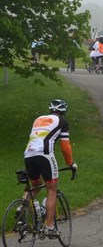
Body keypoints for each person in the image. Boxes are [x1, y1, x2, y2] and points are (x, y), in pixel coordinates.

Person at [23, 100, 78, 236]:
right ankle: (49, 225)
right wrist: (70, 164)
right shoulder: (62, 121)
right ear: (63, 112)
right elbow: (65, 147)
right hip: (45, 154)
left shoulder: (38, 119)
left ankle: (21, 207)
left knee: (35, 184)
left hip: (28, 154)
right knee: (52, 188)